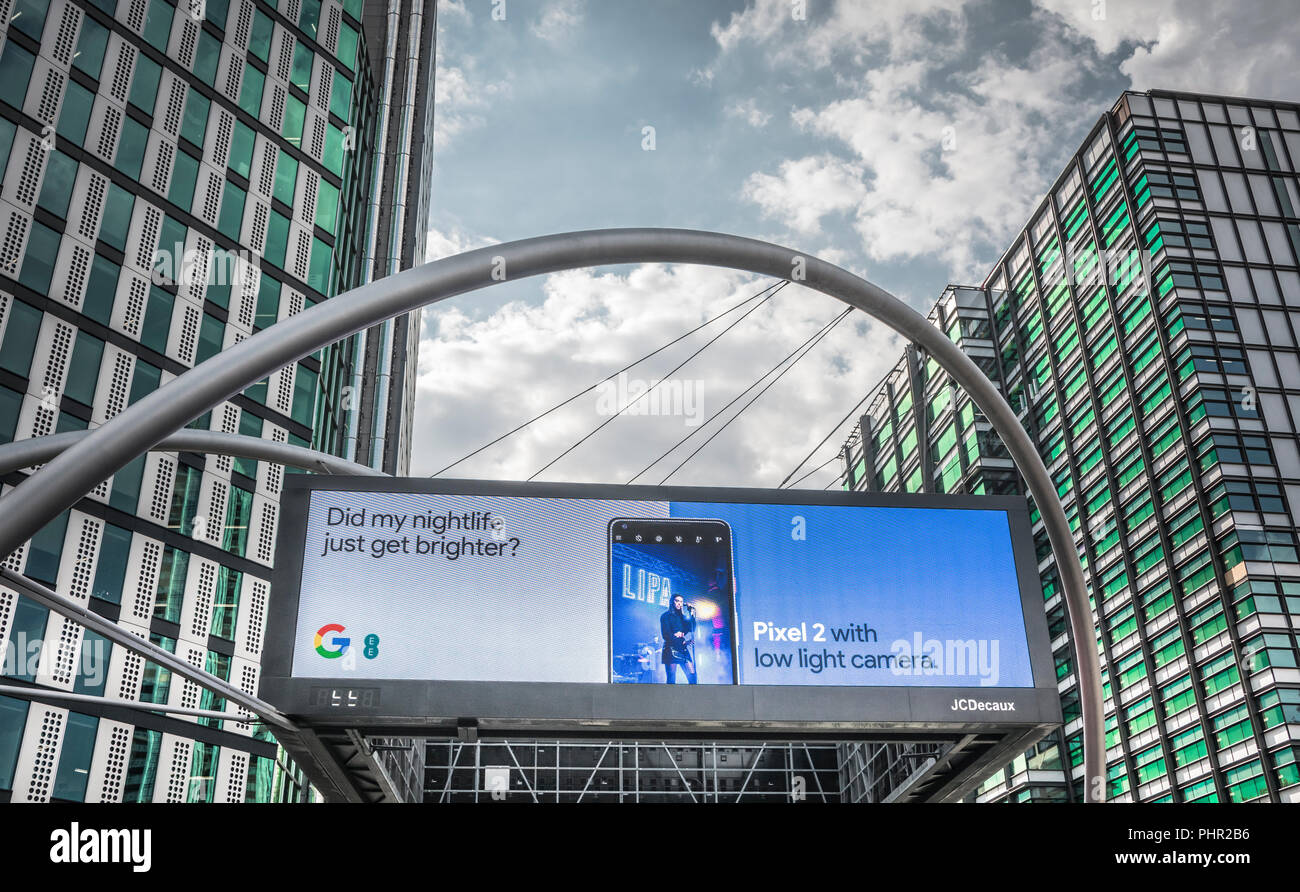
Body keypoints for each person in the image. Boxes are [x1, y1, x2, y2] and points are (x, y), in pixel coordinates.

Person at [660, 594, 697, 684]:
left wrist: (691, 614)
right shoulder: (665, 616)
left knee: (692, 677)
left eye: (681, 601)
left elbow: (691, 628)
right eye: (677, 601)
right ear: (672, 602)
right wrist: (676, 636)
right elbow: (666, 635)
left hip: (682, 649)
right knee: (671, 678)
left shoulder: (683, 617)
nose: (679, 603)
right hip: (671, 649)